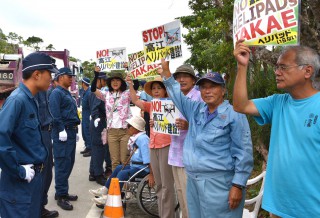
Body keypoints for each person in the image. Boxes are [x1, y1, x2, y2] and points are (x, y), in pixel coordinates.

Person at [233, 40, 320, 217]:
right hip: (278, 207)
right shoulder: (277, 103)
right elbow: (241, 105)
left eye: (283, 67)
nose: (277, 72)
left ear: (307, 71)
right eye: (276, 67)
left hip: (311, 210)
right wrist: (242, 67)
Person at [159, 59, 253, 218]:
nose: (207, 91)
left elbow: (244, 152)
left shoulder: (234, 114)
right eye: (203, 87)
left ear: (223, 90)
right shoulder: (196, 109)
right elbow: (177, 95)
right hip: (194, 182)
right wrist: (167, 73)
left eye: (213, 86)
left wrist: (238, 185)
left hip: (219, 184)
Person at [0, 52, 54, 218]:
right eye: (49, 73)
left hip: (33, 180)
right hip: (19, 183)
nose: (51, 78)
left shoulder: (31, 99)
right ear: (37, 74)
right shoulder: (17, 100)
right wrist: (18, 170)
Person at [126, 75, 175, 218]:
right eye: (154, 88)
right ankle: (162, 214)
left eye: (159, 88)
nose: (156, 90)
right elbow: (135, 100)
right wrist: (130, 84)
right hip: (153, 145)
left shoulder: (172, 103)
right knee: (159, 185)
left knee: (166, 186)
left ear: (165, 90)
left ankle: (168, 215)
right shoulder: (151, 104)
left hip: (166, 145)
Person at [89, 115, 150, 206]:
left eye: (129, 126)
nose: (127, 128)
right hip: (136, 166)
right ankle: (105, 190)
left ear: (135, 128)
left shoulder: (143, 139)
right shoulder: (137, 138)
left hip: (142, 169)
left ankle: (110, 197)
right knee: (118, 168)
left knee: (122, 174)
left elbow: (148, 160)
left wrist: (151, 174)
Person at [169, 64, 202, 218]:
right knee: (181, 197)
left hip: (189, 158)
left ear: (194, 80)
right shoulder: (174, 96)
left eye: (185, 76)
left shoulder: (199, 96)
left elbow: (205, 122)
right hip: (175, 154)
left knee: (190, 201)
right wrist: (157, 123)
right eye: (178, 77)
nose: (181, 79)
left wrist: (189, 125)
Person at [49, 67, 80, 211]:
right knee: (62, 164)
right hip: (63, 132)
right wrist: (61, 129)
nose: (71, 78)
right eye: (69, 76)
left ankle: (62, 191)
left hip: (71, 131)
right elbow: (55, 113)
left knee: (69, 162)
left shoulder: (65, 92)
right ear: (60, 77)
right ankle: (61, 195)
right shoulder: (56, 93)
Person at [91, 66, 131, 171]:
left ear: (122, 82)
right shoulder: (106, 94)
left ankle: (125, 185)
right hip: (112, 132)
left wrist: (129, 70)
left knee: (125, 160)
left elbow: (134, 86)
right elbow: (93, 89)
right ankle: (116, 185)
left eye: (118, 80)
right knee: (115, 161)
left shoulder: (126, 94)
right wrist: (96, 74)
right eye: (113, 80)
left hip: (125, 131)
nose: (115, 82)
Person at [35, 88, 59, 217]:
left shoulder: (44, 90)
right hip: (40, 133)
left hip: (47, 132)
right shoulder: (32, 92)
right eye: (48, 73)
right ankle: (37, 208)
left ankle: (41, 206)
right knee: (41, 173)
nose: (50, 78)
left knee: (47, 172)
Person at [88, 72, 109, 185]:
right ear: (98, 80)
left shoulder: (97, 91)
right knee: (99, 149)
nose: (105, 82)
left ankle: (92, 172)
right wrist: (96, 118)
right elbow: (95, 108)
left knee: (96, 148)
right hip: (98, 121)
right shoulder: (96, 92)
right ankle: (98, 174)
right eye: (103, 80)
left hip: (99, 121)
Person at [80, 77, 92, 157]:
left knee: (88, 131)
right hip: (84, 113)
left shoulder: (89, 92)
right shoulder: (84, 92)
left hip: (88, 114)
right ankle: (87, 146)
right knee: (84, 131)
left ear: (83, 83)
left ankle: (90, 149)